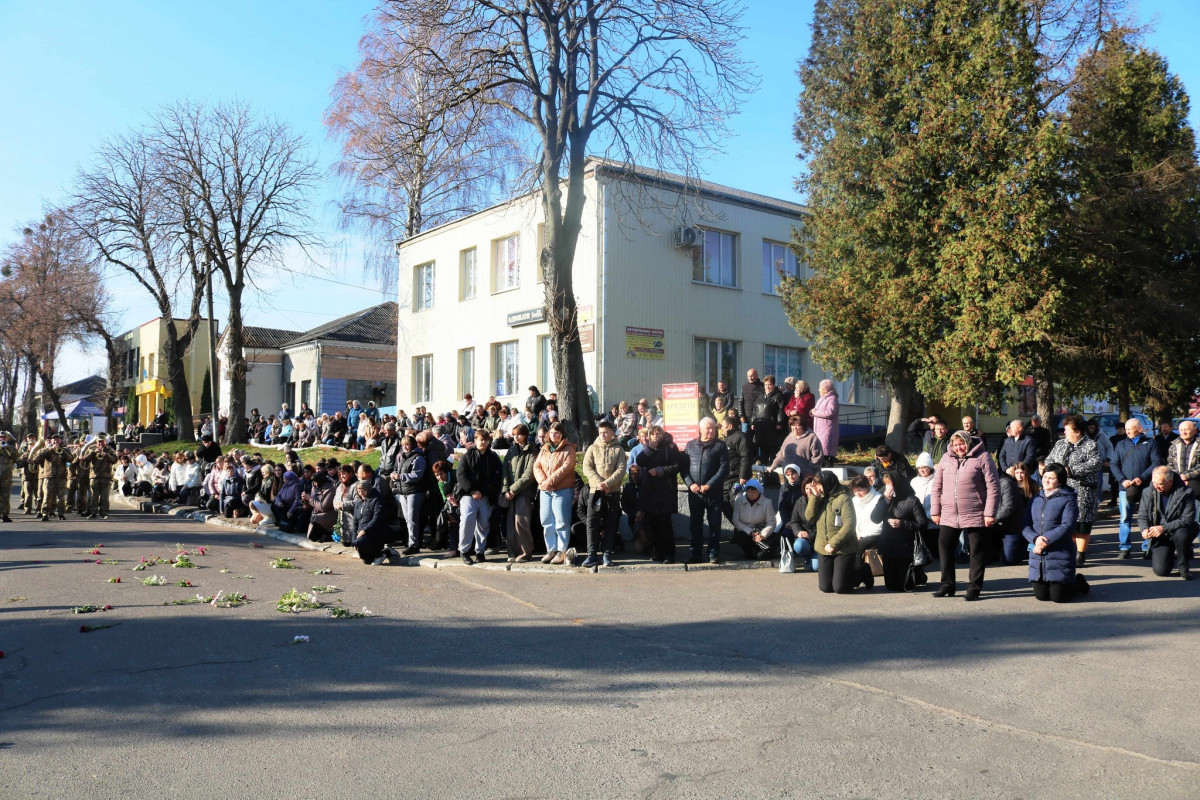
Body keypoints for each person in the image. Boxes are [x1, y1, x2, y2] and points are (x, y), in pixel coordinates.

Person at [930, 430, 999, 600]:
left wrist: (990, 513)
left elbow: (993, 487)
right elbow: (936, 486)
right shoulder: (946, 458)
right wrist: (935, 511)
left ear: (968, 443)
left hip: (977, 512)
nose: (959, 447)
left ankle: (974, 588)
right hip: (949, 513)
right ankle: (947, 585)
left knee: (976, 551)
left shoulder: (983, 457)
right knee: (945, 546)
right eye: (955, 444)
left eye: (961, 444)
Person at [1023, 464, 1090, 602]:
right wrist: (1035, 539)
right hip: (1038, 553)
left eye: (1051, 478)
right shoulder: (1035, 499)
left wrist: (1044, 541)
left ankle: (1078, 582)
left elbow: (1067, 525)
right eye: (1045, 477)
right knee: (1041, 596)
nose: (1046, 480)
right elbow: (1025, 525)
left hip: (1059, 552)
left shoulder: (1068, 498)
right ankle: (1051, 583)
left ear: (1060, 481)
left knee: (1059, 598)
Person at [1046, 414, 1101, 566]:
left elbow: (1095, 464)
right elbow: (1049, 460)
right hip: (1061, 491)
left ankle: (1080, 554)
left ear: (1077, 431)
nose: (1064, 432)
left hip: (1082, 491)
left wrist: (1069, 471)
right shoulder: (1060, 444)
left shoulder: (1090, 445)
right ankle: (1069, 550)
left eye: (1067, 429)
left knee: (1081, 524)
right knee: (1065, 522)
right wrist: (1053, 470)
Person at [681, 418, 730, 564]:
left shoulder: (720, 446)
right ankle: (695, 554)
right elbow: (683, 468)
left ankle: (713, 553)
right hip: (695, 493)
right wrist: (690, 484)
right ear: (700, 429)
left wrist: (709, 485)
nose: (711, 431)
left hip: (713, 492)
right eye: (708, 428)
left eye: (713, 429)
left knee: (714, 524)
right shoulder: (690, 445)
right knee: (695, 524)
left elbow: (724, 469)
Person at [1138, 465, 1198, 580]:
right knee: (1161, 571)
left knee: (1182, 535)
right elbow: (1142, 515)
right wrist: (1144, 529)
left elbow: (1188, 519)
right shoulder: (1148, 491)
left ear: (1170, 482)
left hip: (1180, 528)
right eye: (1154, 482)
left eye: (1160, 484)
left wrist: (1164, 527)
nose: (1156, 486)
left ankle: (1183, 566)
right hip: (1161, 534)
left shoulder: (1187, 492)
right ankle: (1168, 556)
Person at [1112, 418, 1161, 558]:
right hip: (1125, 488)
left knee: (1148, 516)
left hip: (1146, 487)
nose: (1127, 431)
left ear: (1139, 429)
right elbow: (1114, 464)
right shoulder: (1120, 444)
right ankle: (1125, 548)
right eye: (1126, 429)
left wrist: (1142, 477)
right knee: (1125, 518)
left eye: (1130, 428)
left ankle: (1147, 547)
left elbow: (1156, 462)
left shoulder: (1151, 443)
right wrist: (1122, 480)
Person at [581, 420, 627, 567]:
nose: (603, 435)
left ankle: (607, 554)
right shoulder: (592, 448)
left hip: (612, 492)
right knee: (592, 524)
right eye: (600, 433)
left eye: (606, 432)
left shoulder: (619, 450)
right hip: (595, 492)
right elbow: (587, 468)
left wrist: (607, 484)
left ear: (612, 433)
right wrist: (600, 484)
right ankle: (592, 554)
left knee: (610, 524)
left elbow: (621, 470)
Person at [633, 426, 680, 563]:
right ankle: (658, 552)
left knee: (665, 524)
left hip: (665, 489)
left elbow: (677, 465)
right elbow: (640, 462)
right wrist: (650, 448)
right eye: (652, 434)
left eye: (658, 433)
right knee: (653, 524)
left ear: (662, 434)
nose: (655, 436)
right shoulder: (648, 448)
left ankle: (669, 555)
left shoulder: (670, 447)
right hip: (650, 490)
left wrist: (660, 471)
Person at [805, 469, 858, 593]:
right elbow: (809, 517)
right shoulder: (820, 498)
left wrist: (833, 543)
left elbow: (849, 524)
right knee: (825, 587)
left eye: (820, 486)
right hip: (824, 547)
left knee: (840, 588)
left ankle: (861, 572)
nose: (819, 489)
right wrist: (815, 497)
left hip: (843, 548)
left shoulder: (844, 498)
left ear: (828, 483)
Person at [456, 430, 504, 564]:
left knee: (483, 525)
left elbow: (497, 476)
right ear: (475, 440)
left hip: (486, 496)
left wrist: (485, 491)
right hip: (469, 496)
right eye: (480, 439)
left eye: (485, 440)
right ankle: (464, 551)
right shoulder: (467, 456)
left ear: (488, 441)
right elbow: (461, 475)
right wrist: (472, 490)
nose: (482, 442)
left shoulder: (493, 457)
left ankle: (480, 552)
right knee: (467, 522)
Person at [533, 422, 577, 565]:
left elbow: (566, 468)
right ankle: (550, 549)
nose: (554, 435)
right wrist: (543, 482)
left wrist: (550, 482)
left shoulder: (569, 449)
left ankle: (561, 550)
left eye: (557, 433)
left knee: (561, 521)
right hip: (545, 490)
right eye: (552, 433)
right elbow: (537, 466)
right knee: (546, 520)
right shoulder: (544, 449)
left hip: (562, 490)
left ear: (562, 434)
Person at [878, 471, 930, 591]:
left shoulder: (912, 500)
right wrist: (885, 500)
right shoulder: (884, 499)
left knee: (904, 586)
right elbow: (874, 518)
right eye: (886, 485)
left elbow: (922, 523)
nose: (889, 488)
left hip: (905, 546)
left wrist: (902, 524)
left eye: (891, 485)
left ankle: (918, 575)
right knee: (890, 585)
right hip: (887, 543)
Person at [501, 423, 538, 563]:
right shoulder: (511, 451)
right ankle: (512, 553)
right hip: (510, 493)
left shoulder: (532, 451)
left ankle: (525, 553)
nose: (516, 437)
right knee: (510, 524)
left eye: (519, 434)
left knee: (521, 523)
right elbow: (505, 471)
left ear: (525, 435)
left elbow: (529, 475)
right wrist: (506, 489)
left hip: (524, 493)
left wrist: (513, 490)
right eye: (514, 434)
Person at [848, 474, 887, 588]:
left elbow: (879, 524)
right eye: (855, 491)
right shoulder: (854, 501)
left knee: (858, 547)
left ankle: (857, 577)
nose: (857, 494)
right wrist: (856, 534)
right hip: (858, 534)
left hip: (875, 534)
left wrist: (862, 535)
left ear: (867, 487)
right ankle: (863, 573)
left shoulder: (878, 499)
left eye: (860, 490)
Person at [352, 480, 400, 566]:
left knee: (360, 542)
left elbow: (377, 519)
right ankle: (386, 552)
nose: (361, 493)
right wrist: (354, 540)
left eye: (363, 491)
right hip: (362, 533)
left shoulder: (377, 500)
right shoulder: (358, 502)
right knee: (366, 560)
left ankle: (380, 555)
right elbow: (355, 521)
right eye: (359, 491)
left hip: (374, 532)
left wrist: (364, 530)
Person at [395, 435, 427, 554]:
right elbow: (397, 470)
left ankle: (414, 544)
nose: (405, 447)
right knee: (407, 519)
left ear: (412, 445)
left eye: (407, 444)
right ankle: (411, 542)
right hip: (403, 491)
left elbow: (417, 476)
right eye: (403, 445)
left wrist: (400, 477)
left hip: (415, 491)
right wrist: (395, 475)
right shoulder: (402, 457)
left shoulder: (418, 458)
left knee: (413, 519)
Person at [1000, 462, 1037, 565]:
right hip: (1013, 524)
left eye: (1022, 472)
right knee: (1007, 559)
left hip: (1028, 521)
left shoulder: (1032, 484)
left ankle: (1030, 549)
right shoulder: (1010, 484)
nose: (1019, 475)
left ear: (1026, 473)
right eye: (1017, 472)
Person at [731, 478, 776, 560]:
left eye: (753, 492)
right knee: (740, 536)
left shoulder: (766, 503)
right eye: (749, 491)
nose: (751, 494)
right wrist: (750, 531)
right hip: (747, 532)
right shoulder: (740, 501)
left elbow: (771, 522)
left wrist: (763, 534)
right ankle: (748, 552)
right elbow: (736, 521)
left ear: (758, 491)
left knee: (761, 556)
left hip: (761, 532)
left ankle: (761, 552)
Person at [719, 416, 752, 521]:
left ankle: (743, 533)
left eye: (723, 427)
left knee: (737, 508)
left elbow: (745, 457)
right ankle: (740, 530)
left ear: (729, 426)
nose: (721, 429)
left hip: (737, 479)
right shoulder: (726, 439)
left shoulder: (740, 437)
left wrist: (743, 476)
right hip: (725, 480)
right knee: (724, 505)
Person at [1166, 420, 1200, 514]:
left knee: (1195, 513)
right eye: (1181, 430)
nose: (1183, 432)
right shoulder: (1174, 445)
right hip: (1177, 481)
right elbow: (1170, 464)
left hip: (1196, 483)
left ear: (1195, 430)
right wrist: (1178, 477)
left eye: (1186, 430)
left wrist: (1186, 476)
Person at [33, 435, 68, 521]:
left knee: (61, 497)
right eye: (54, 440)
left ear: (60, 441)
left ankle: (61, 513)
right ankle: (45, 513)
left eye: (57, 439)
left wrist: (63, 452)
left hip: (61, 477)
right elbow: (37, 460)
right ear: (51, 441)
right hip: (49, 477)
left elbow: (72, 459)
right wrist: (49, 450)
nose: (56, 441)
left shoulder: (65, 450)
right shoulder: (46, 450)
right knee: (47, 496)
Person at [85, 433, 119, 519]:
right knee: (93, 496)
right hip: (94, 476)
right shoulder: (91, 448)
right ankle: (93, 513)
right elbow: (86, 459)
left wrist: (107, 455)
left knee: (105, 496)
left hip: (106, 476)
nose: (100, 444)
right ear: (96, 442)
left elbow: (115, 460)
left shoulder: (110, 449)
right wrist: (93, 453)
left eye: (102, 442)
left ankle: (104, 513)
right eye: (99, 442)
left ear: (105, 442)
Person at [303, 469, 337, 542]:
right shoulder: (315, 487)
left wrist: (310, 499)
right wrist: (305, 500)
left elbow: (323, 507)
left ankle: (328, 533)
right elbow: (312, 505)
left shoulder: (330, 490)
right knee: (311, 537)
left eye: (315, 482)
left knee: (315, 518)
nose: (314, 484)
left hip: (329, 515)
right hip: (316, 513)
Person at [812, 380, 840, 464]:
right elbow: (817, 411)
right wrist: (813, 412)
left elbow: (829, 412)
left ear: (825, 389)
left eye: (820, 388)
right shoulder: (822, 399)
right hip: (819, 429)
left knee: (826, 452)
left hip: (827, 429)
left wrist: (815, 413)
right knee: (821, 451)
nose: (818, 390)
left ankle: (828, 469)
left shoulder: (833, 399)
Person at [0, 431, 18, 523]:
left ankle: (5, 514)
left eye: (3, 437)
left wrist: (7, 448)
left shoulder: (11, 448)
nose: (2, 438)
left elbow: (15, 457)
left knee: (5, 496)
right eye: (0, 437)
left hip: (6, 477)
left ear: (7, 438)